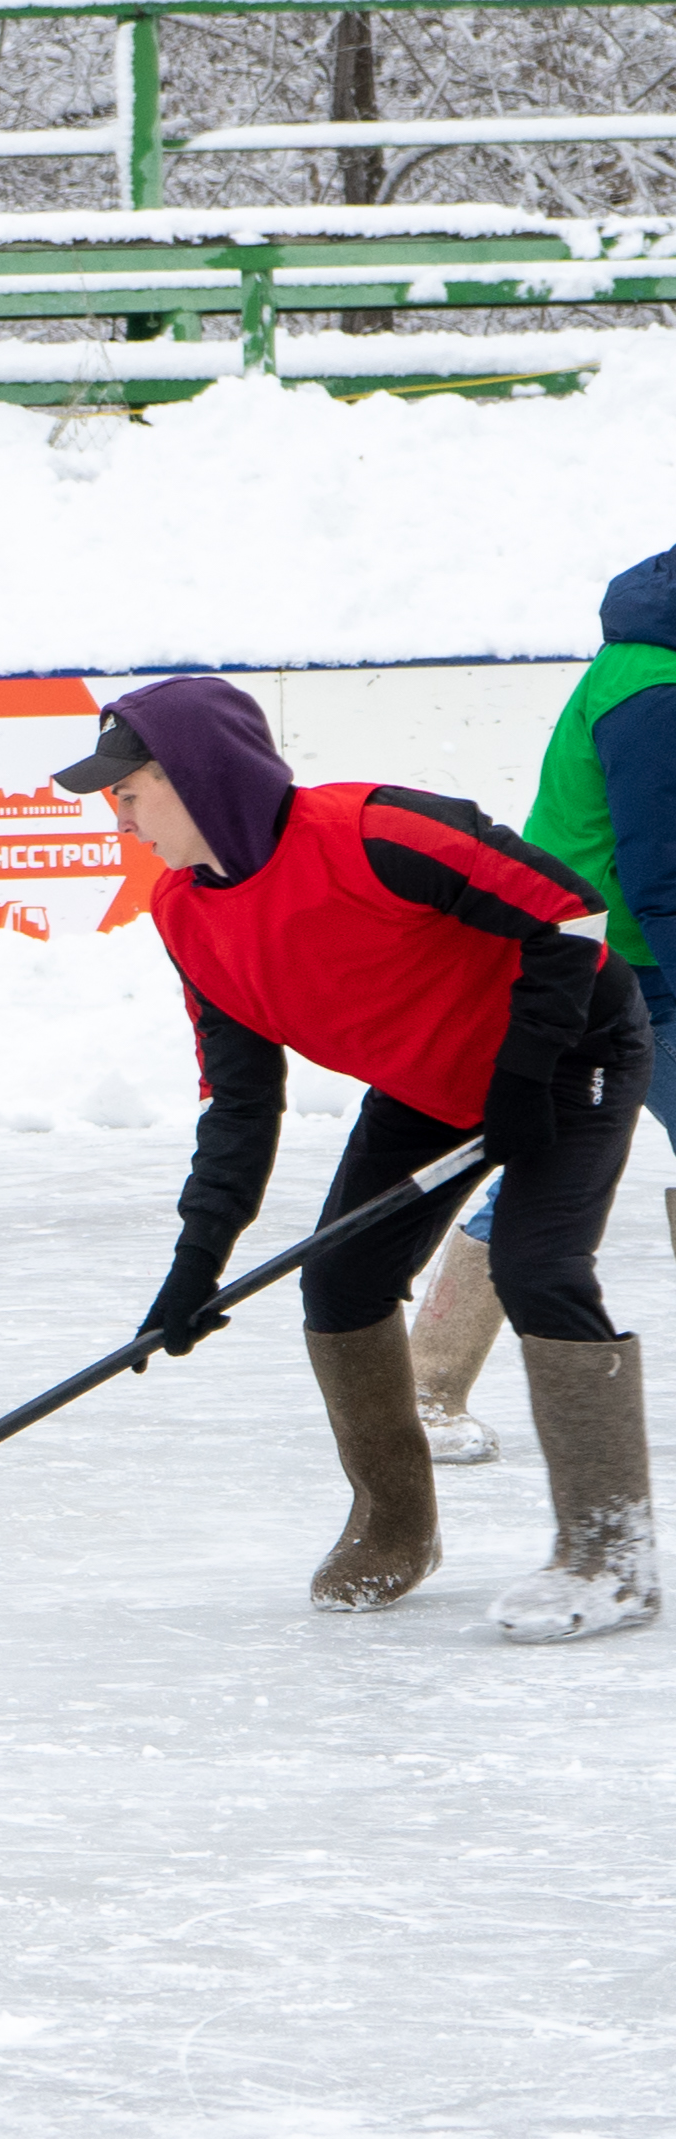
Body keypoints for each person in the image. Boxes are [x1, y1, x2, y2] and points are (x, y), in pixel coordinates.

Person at [67, 674, 656, 1641]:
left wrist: (522, 1073)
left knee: (540, 1268)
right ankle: (395, 1525)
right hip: (428, 1087)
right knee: (341, 1279)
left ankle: (611, 1553)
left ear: (194, 778)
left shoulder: (375, 832)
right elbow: (241, 1102)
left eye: (127, 792)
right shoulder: (185, 917)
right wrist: (194, 1265)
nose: (119, 818)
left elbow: (567, 909)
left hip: (568, 1052)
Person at [407, 538, 676, 1464]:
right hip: (612, 959)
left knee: (551, 1159)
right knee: (550, 1160)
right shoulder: (653, 686)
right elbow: (660, 867)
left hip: (603, 945)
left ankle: (429, 1380)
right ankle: (427, 1384)